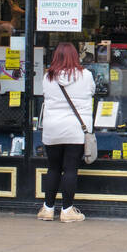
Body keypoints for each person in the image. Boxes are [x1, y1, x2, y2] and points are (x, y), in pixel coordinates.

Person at [40, 41, 96, 223]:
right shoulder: (86, 75)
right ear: (75, 56)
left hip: (52, 129)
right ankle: (67, 210)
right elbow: (92, 91)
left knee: (53, 168)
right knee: (70, 169)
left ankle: (47, 209)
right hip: (75, 129)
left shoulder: (48, 76)